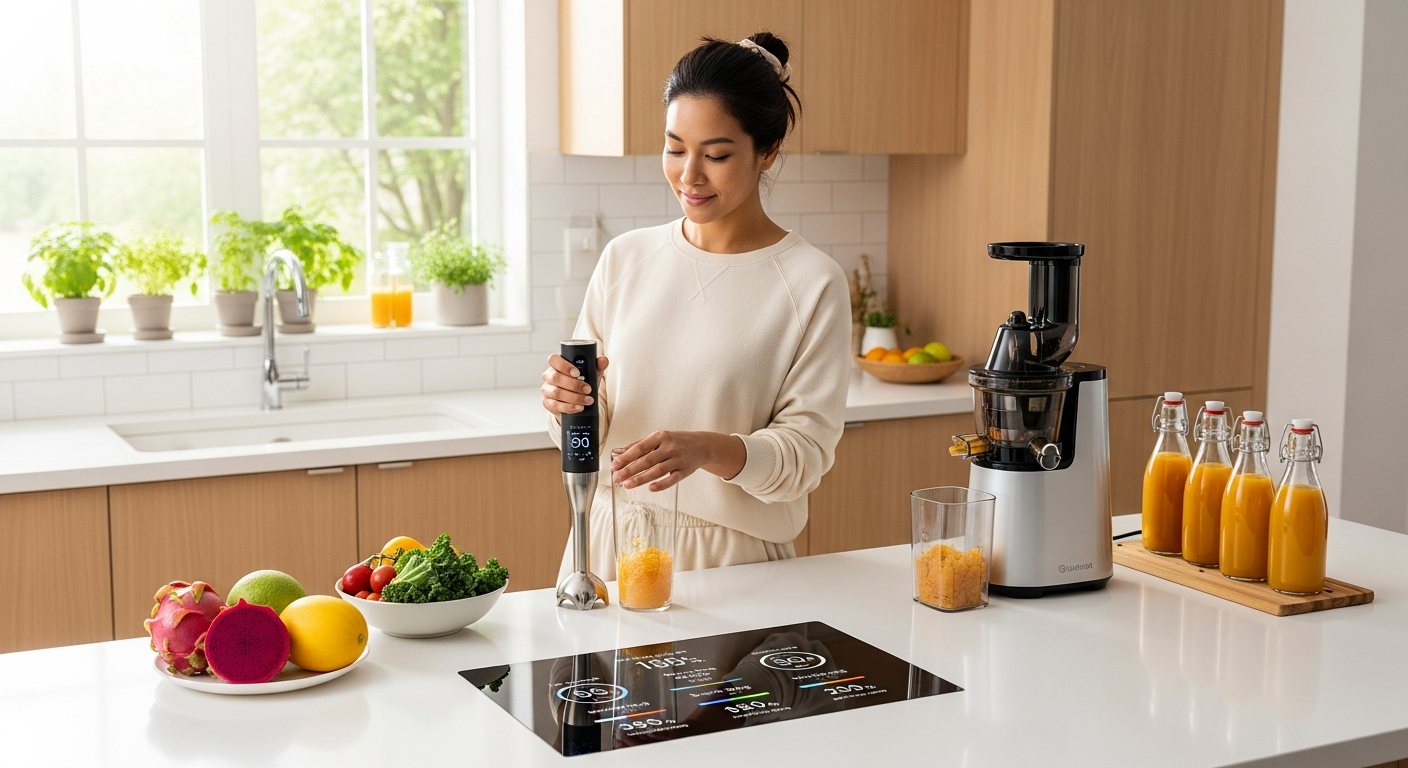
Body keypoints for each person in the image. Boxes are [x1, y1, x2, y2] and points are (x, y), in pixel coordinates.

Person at [542, 32, 851, 578]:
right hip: (604, 544)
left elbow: (804, 459)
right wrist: (566, 403)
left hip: (732, 561)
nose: (689, 175)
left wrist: (709, 450)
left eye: (716, 154)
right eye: (675, 148)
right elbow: (589, 428)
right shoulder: (625, 259)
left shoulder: (810, 282)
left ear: (767, 151)